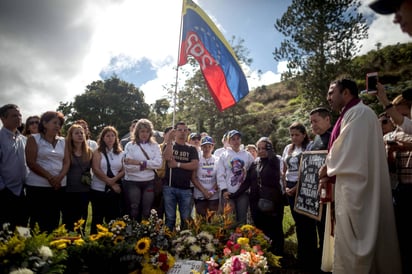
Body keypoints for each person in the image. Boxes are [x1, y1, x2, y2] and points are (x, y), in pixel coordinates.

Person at [318, 78, 401, 273]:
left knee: (361, 238)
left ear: (346, 93)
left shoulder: (360, 113)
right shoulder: (350, 114)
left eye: (332, 93)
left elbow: (347, 151)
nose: (328, 98)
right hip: (350, 185)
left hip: (360, 190)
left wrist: (326, 168)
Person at [234, 137, 285, 255]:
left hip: (272, 201)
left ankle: (277, 254)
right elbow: (247, 182)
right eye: (259, 148)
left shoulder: (274, 161)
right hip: (256, 202)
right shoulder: (255, 163)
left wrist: (270, 150)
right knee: (260, 228)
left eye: (264, 148)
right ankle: (264, 252)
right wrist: (234, 195)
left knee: (275, 228)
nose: (261, 151)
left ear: (270, 149)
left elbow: (273, 161)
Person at [25, 111, 70, 233]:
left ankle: (51, 248)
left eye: (60, 124)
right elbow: (31, 162)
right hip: (38, 187)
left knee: (54, 219)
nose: (58, 126)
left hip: (59, 186)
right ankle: (36, 250)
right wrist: (50, 178)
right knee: (37, 221)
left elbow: (66, 162)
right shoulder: (33, 139)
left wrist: (59, 177)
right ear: (44, 123)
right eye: (54, 123)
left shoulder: (63, 141)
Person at [281, 122, 312, 270]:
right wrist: (286, 186)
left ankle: (311, 254)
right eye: (292, 135)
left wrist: (295, 188)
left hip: (304, 187)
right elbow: (284, 169)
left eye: (297, 135)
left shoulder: (309, 147)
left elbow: (309, 170)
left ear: (304, 134)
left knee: (307, 222)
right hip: (289, 186)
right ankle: (302, 254)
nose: (294, 137)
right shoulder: (288, 148)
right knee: (298, 222)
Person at [306, 107, 333, 273]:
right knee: (320, 228)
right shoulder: (315, 140)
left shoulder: (333, 137)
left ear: (327, 119)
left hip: (330, 193)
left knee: (328, 230)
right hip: (314, 194)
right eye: (310, 122)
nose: (312, 125)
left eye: (316, 121)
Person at [123, 118, 162, 221]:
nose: (145, 134)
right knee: (134, 209)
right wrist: (148, 165)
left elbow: (158, 163)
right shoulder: (130, 146)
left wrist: (138, 162)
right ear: (137, 132)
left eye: (147, 131)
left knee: (147, 210)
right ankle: (132, 234)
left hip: (149, 182)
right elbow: (128, 167)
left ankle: (145, 234)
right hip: (132, 182)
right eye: (142, 131)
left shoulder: (155, 146)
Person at [162, 121, 199, 231]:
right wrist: (169, 140)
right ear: (175, 132)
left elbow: (194, 165)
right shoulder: (170, 145)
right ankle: (167, 241)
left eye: (185, 130)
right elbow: (167, 157)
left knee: (186, 218)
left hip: (185, 189)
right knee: (170, 218)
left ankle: (185, 242)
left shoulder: (191, 149)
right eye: (180, 130)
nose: (182, 132)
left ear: (187, 132)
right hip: (169, 186)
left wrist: (177, 164)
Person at [90, 126, 125, 234]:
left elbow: (124, 170)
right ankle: (95, 241)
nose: (110, 138)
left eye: (112, 135)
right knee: (98, 217)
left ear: (116, 138)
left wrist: (113, 180)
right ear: (103, 138)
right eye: (107, 136)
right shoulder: (97, 152)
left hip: (114, 190)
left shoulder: (121, 153)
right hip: (98, 189)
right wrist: (108, 181)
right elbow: (96, 169)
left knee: (113, 217)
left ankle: (111, 242)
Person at [217, 130, 254, 227]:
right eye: (233, 139)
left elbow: (252, 171)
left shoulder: (247, 155)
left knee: (242, 219)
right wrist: (224, 190)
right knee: (230, 220)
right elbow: (220, 174)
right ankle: (230, 241)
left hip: (243, 192)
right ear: (229, 141)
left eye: (238, 139)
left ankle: (242, 241)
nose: (236, 141)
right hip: (228, 193)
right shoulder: (224, 155)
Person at [0, 104, 28, 229]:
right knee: (5, 231)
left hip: (23, 192)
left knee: (22, 228)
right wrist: (3, 189)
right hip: (5, 193)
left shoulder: (24, 139)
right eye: (14, 116)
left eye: (20, 115)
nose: (19, 118)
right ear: (3, 119)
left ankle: (24, 249)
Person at [62, 124, 93, 231]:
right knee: (69, 219)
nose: (80, 135)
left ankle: (80, 241)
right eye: (76, 133)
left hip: (84, 190)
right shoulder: (66, 151)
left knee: (82, 218)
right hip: (69, 190)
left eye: (82, 133)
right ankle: (67, 242)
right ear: (70, 136)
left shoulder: (89, 152)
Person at [191, 136, 219, 218]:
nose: (207, 149)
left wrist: (211, 191)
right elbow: (193, 178)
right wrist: (204, 191)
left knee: (212, 221)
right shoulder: (197, 159)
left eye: (209, 146)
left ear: (213, 147)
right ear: (201, 147)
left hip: (214, 195)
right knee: (200, 221)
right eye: (204, 146)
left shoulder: (217, 160)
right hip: (199, 194)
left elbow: (220, 178)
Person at [152, 126, 173, 217]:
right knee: (157, 207)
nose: (172, 136)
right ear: (164, 135)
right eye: (170, 134)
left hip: (171, 181)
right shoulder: (157, 148)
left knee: (168, 208)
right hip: (158, 180)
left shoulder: (176, 148)